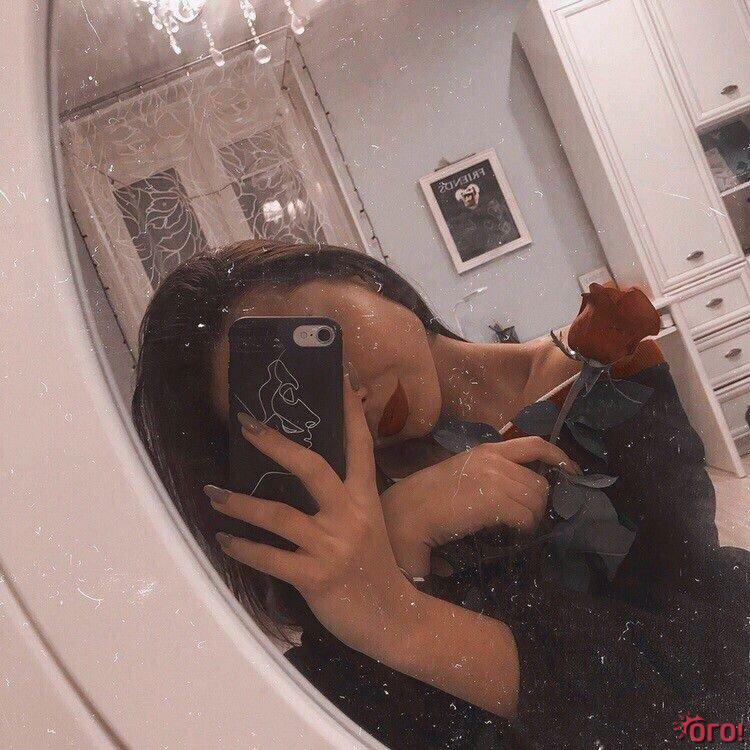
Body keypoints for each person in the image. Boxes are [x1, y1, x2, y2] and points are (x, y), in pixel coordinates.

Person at [132, 239, 749, 749]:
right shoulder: (347, 544)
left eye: (322, 344)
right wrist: (396, 550)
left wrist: (406, 617)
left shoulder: (608, 382)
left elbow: (712, 688)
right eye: (299, 402)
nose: (353, 400)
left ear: (362, 280)